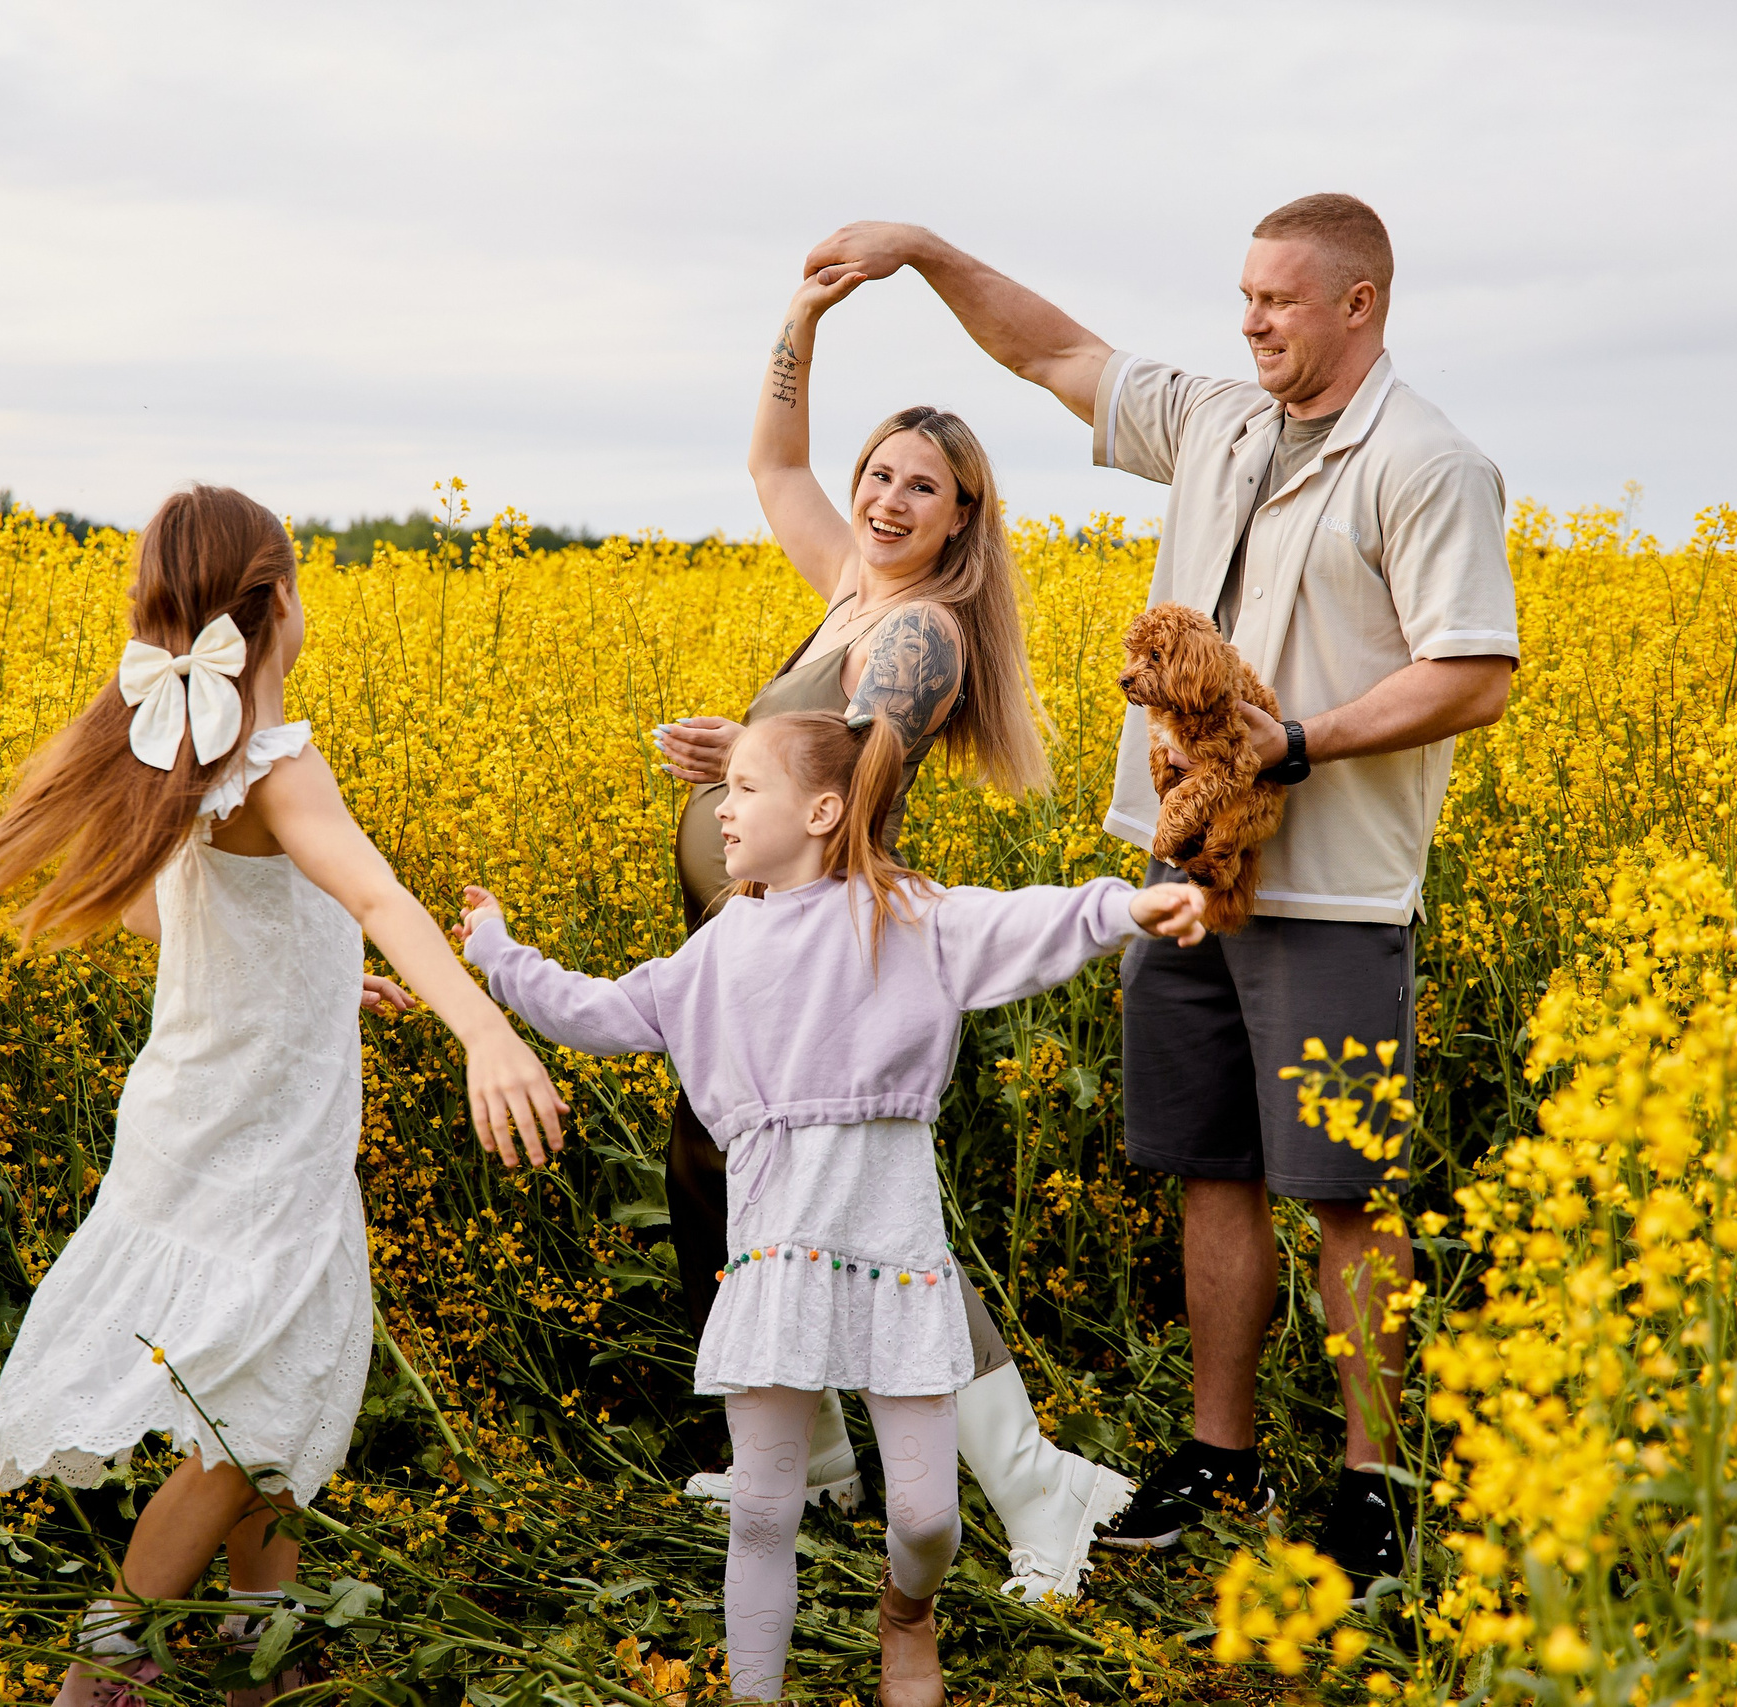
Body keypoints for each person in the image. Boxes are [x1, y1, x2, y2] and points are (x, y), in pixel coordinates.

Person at [802, 194, 1518, 1588]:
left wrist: (1296, 741)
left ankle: (1373, 1484)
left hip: (1331, 892)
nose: (1250, 320)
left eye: (1280, 301)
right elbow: (1055, 355)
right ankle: (1220, 1452)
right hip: (1178, 871)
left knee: (1345, 1189)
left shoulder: (1429, 463)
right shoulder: (1222, 423)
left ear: (1358, 305)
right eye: (1244, 296)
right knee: (1211, 1163)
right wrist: (933, 257)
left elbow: (1475, 670)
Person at [0, 485, 569, 1707]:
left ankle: (268, 1639)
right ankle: (106, 1662)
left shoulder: (168, 743)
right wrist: (485, 1031)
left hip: (202, 1115)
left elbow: (176, 914)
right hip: (257, 1138)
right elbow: (378, 896)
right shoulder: (268, 757)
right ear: (274, 607)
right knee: (251, 1411)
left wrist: (317, 982)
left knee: (274, 1382)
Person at [460, 711, 1208, 1705]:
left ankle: (909, 1611)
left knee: (929, 1520)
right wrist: (499, 953)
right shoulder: (721, 947)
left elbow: (1023, 919)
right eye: (722, 790)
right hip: (774, 1265)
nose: (720, 809)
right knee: (763, 1514)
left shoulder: (906, 917)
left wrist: (1126, 910)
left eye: (743, 789)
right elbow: (598, 1009)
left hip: (895, 1258)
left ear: (821, 810)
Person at [644, 265, 1136, 1602]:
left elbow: (853, 784)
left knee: (869, 1216)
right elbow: (773, 457)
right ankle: (806, 1461)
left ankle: (1038, 1479)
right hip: (760, 952)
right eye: (882, 473)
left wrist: (743, 761)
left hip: (826, 958)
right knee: (723, 1175)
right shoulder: (850, 586)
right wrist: (804, 321)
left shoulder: (919, 633)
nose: (887, 498)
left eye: (923, 485)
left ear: (963, 513)